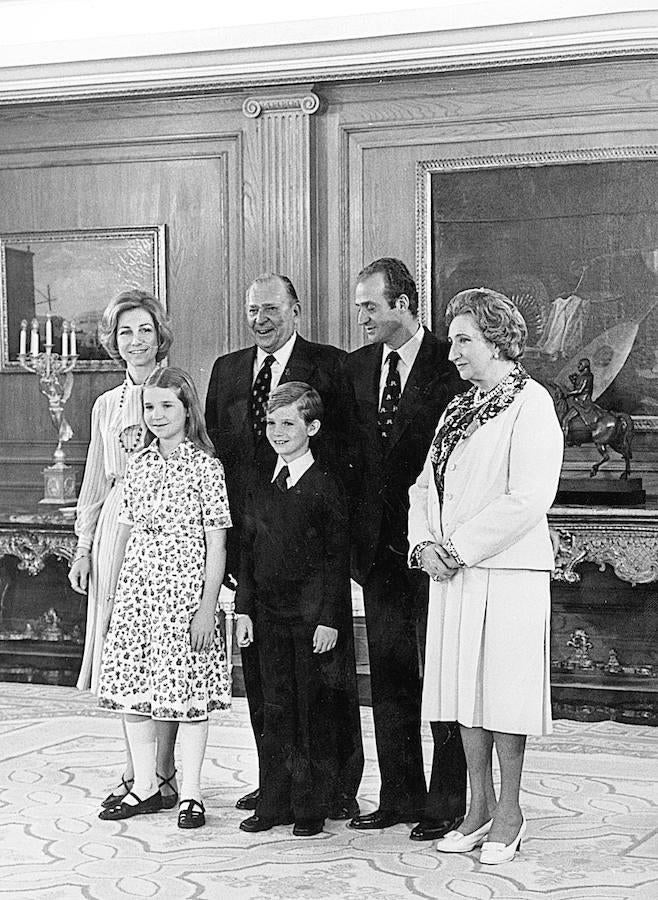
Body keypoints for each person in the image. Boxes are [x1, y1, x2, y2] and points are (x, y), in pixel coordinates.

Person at [408, 288, 563, 865]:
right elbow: (424, 484)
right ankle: (478, 807)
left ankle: (510, 814)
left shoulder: (532, 403)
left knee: (503, 694)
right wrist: (424, 542)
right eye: (453, 342)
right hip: (453, 572)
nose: (453, 353)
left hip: (507, 571)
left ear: (498, 341)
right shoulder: (458, 407)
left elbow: (528, 498)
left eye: (464, 341)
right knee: (463, 693)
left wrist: (456, 546)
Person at [205, 274, 363, 819]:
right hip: (251, 538)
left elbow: (347, 451)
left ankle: (332, 788)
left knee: (320, 690)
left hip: (311, 548)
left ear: (296, 309)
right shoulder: (227, 369)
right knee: (267, 685)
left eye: (271, 308)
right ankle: (277, 787)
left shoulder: (331, 366)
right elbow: (218, 452)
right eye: (252, 309)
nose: (260, 318)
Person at [345, 257, 467, 839]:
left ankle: (446, 802)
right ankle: (398, 796)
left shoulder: (456, 363)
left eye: (371, 306)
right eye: (359, 305)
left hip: (439, 550)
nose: (361, 316)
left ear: (404, 303)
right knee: (390, 676)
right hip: (377, 553)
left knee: (442, 676)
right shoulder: (355, 368)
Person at [97, 367, 232, 829]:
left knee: (186, 691)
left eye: (167, 406)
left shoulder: (205, 467)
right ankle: (146, 786)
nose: (156, 415)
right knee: (134, 692)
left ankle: (190, 793)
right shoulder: (140, 464)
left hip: (183, 596)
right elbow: (124, 533)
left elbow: (217, 545)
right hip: (139, 592)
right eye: (150, 406)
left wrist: (207, 607)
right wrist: (114, 593)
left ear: (187, 409)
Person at [68, 290, 179, 811]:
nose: (135, 342)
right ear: (114, 341)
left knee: (165, 650)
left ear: (160, 336)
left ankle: (165, 772)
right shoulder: (105, 405)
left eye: (144, 330)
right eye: (125, 332)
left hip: (166, 529)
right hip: (117, 526)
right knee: (124, 652)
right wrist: (84, 546)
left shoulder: (177, 390)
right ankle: (134, 768)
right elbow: (94, 480)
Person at [235, 382, 357, 837]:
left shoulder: (326, 486)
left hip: (310, 622)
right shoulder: (259, 484)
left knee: (312, 711)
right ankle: (274, 802)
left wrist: (329, 619)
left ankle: (309, 806)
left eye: (288, 423)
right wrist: (243, 609)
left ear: (313, 427)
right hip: (266, 617)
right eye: (271, 423)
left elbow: (334, 561)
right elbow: (246, 553)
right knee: (273, 708)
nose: (277, 431)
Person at [562, 357, 597, 438]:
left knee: (565, 420)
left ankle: (564, 440)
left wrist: (568, 393)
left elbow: (580, 390)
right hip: (580, 400)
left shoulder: (586, 376)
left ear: (585, 366)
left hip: (581, 403)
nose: (578, 366)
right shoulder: (584, 376)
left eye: (580, 364)